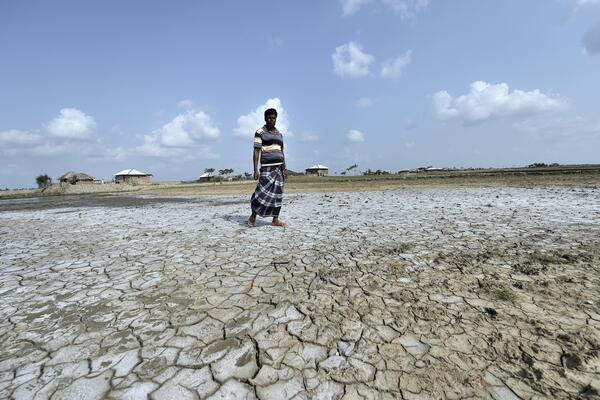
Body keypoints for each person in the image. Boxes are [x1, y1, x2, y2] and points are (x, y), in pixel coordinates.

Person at [247, 108, 288, 227]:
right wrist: (255, 169)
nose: (271, 120)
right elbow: (256, 151)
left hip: (279, 169)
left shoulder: (279, 134)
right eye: (269, 118)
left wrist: (285, 167)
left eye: (274, 118)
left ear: (276, 119)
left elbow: (281, 151)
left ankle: (275, 219)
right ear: (265, 119)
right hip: (266, 168)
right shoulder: (260, 132)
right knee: (260, 193)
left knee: (278, 194)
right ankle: (253, 216)